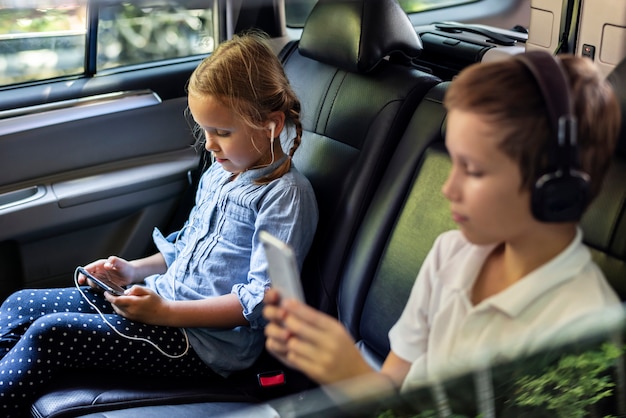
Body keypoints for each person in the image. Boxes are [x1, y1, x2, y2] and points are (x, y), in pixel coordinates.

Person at [263, 51, 621, 396]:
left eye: (474, 170)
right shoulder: (451, 253)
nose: (448, 188)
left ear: (553, 190)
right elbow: (394, 386)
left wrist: (352, 376)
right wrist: (332, 365)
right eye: (454, 164)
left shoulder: (585, 332)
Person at [0, 31, 318, 416]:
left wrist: (164, 313)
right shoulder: (222, 173)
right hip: (161, 298)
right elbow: (188, 245)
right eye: (205, 130)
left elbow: (262, 299)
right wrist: (132, 270)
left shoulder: (285, 196)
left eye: (222, 132)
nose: (210, 144)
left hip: (201, 344)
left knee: (50, 336)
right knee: (19, 303)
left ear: (270, 124)